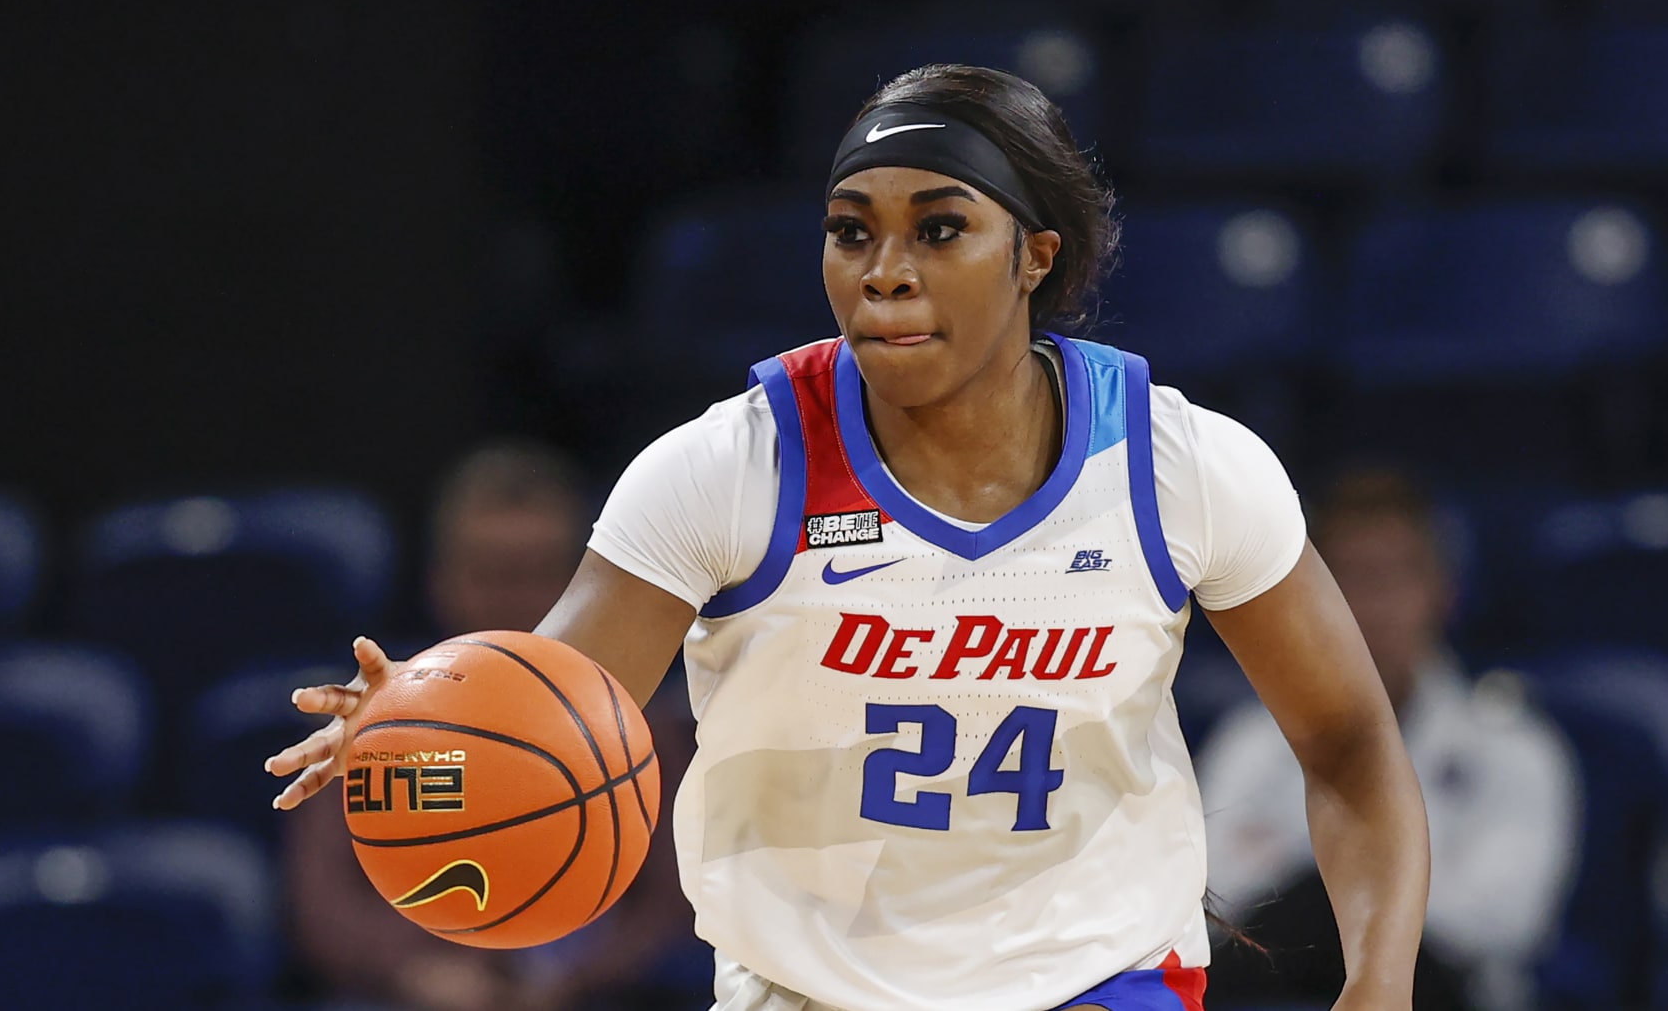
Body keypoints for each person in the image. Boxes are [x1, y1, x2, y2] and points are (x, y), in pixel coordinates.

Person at [268, 65, 1431, 1011]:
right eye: (850, 231)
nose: (885, 273)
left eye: (939, 229)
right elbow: (552, 715)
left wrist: (1378, 981)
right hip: (809, 991)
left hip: (1101, 981)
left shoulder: (1177, 465)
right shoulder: (727, 468)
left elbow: (1348, 741)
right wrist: (431, 723)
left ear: (1035, 255)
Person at [282, 439, 701, 1010]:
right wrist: (412, 970)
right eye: (491, 573)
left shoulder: (636, 711)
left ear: (582, 582)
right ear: (441, 581)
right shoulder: (377, 712)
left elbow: (675, 897)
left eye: (535, 573)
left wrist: (580, 978)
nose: (513, 597)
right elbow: (323, 897)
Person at [1198, 466, 1582, 1010]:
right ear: (1310, 596)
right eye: (1351, 579)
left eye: (1393, 579)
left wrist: (1315, 871)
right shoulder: (1249, 741)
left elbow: (1506, 919)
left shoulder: (1513, 749)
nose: (1372, 606)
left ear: (1442, 592)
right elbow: (1210, 893)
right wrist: (1389, 878)